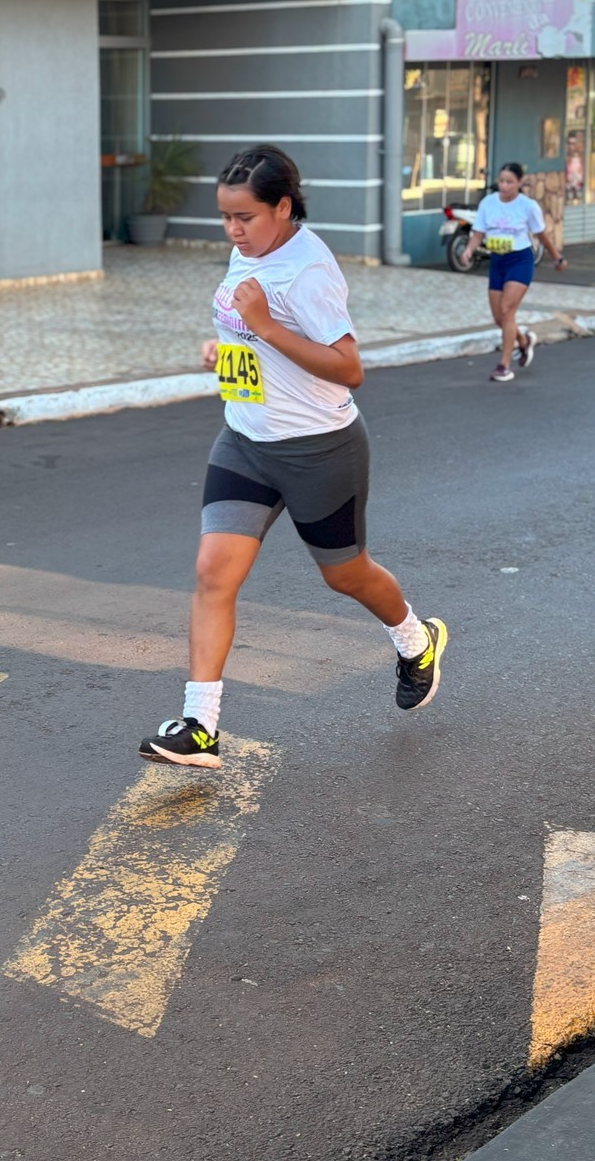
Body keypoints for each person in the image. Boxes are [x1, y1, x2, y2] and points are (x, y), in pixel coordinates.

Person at [139, 145, 446, 771]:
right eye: (225, 218)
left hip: (317, 449)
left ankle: (416, 642)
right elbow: (249, 336)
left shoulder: (308, 272)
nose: (232, 231)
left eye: (244, 217)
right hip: (246, 440)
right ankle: (201, 725)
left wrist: (267, 327)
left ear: (283, 207)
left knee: (345, 574)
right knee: (212, 572)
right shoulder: (251, 248)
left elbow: (349, 367)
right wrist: (224, 347)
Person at [462, 162, 567, 383]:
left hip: (520, 260)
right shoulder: (488, 203)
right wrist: (469, 250)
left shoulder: (528, 206)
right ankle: (524, 340)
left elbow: (541, 235)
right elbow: (478, 233)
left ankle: (504, 365)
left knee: (507, 310)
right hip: (497, 261)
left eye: (510, 182)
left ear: (519, 183)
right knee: (499, 317)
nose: (504, 186)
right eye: (501, 181)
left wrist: (556, 257)